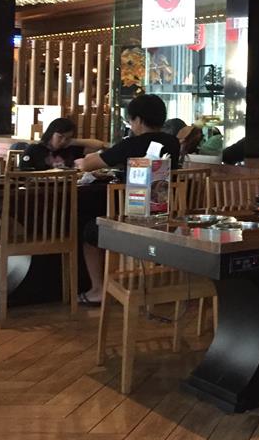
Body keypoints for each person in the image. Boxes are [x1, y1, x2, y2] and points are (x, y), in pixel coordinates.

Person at [73, 94, 180, 306]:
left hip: (134, 220)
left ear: (138, 120)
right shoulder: (173, 142)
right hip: (165, 217)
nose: (131, 125)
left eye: (131, 120)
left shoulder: (132, 143)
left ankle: (98, 289)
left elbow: (87, 165)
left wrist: (83, 160)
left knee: (89, 230)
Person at [20, 118, 107, 170]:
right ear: (51, 133)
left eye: (67, 138)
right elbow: (23, 170)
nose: (63, 141)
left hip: (67, 188)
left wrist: (73, 141)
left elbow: (99, 145)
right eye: (60, 137)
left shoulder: (70, 148)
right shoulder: (34, 149)